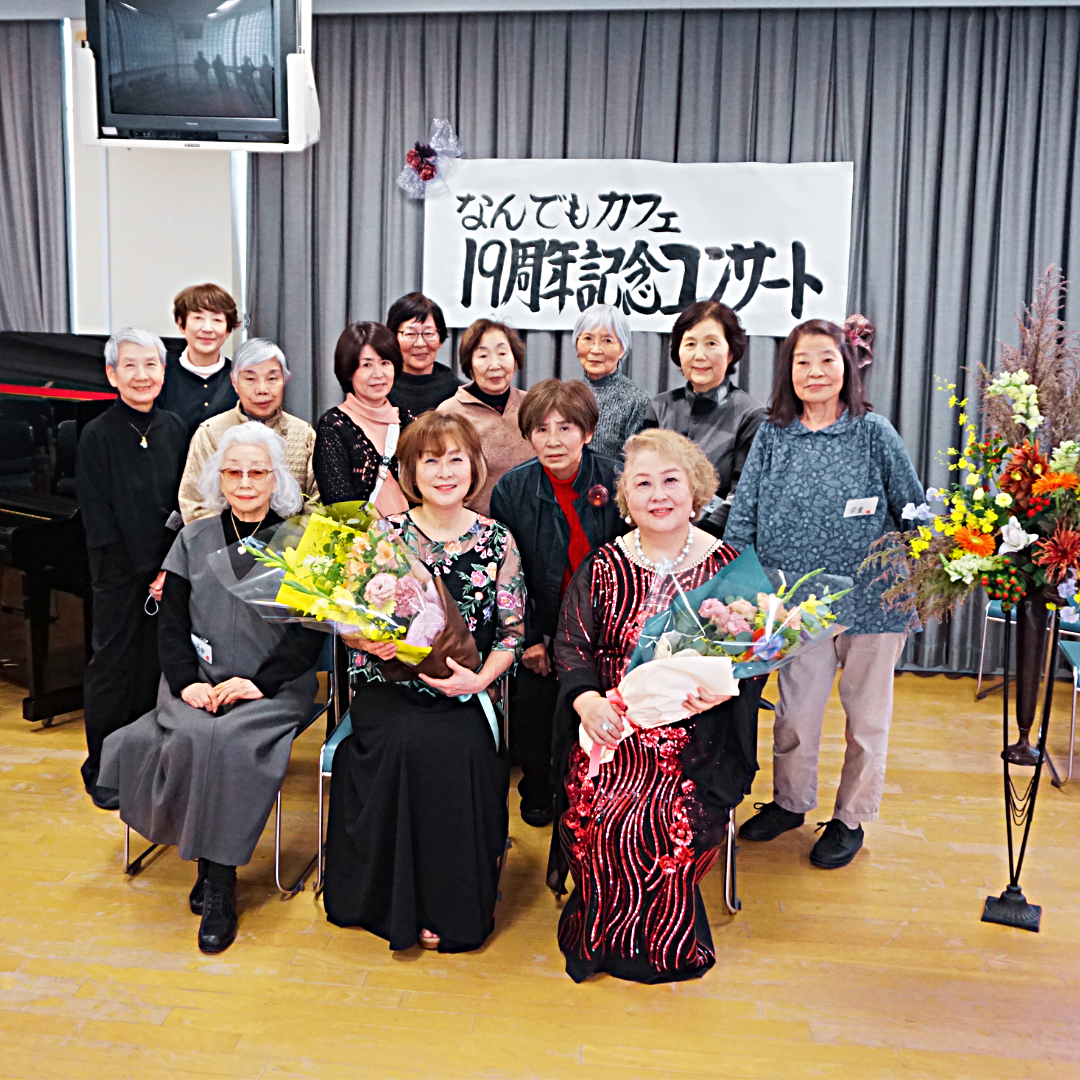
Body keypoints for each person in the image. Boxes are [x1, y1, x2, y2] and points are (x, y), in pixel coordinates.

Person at [98, 424, 323, 954]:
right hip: (196, 682)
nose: (245, 483)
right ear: (218, 479)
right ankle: (214, 869)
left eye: (257, 472)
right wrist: (185, 683)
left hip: (272, 687)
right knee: (195, 734)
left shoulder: (302, 542)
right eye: (233, 472)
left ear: (276, 478)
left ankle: (218, 881)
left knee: (229, 741)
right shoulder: (192, 538)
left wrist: (258, 683)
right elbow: (171, 625)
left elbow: (308, 636)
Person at [552, 428, 761, 983]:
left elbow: (755, 657)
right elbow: (570, 644)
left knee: (664, 819)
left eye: (671, 480)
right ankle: (601, 934)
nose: (658, 494)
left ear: (696, 491)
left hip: (699, 731)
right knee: (601, 815)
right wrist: (588, 701)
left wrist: (720, 689)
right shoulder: (603, 564)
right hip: (614, 721)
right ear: (626, 497)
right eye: (642, 483)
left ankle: (665, 939)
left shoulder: (730, 566)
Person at [725, 316, 924, 870]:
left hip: (874, 602)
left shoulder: (874, 432)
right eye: (802, 361)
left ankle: (851, 817)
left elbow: (913, 511)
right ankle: (791, 803)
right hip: (798, 604)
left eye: (826, 360)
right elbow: (744, 515)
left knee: (867, 722)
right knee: (794, 716)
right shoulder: (773, 435)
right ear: (787, 371)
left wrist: (922, 576)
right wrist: (738, 582)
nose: (814, 371)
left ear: (847, 368)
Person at [322, 412, 524, 953]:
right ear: (410, 471)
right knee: (406, 742)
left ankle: (447, 904)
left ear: (475, 467)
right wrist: (367, 642)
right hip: (390, 689)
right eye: (430, 461)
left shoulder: (497, 540)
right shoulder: (384, 535)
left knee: (457, 749)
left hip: (466, 691)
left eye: (455, 459)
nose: (444, 472)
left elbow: (513, 634)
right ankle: (395, 902)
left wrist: (478, 679)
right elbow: (348, 624)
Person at [488, 380, 623, 827]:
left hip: (605, 628)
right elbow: (507, 575)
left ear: (588, 432)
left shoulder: (619, 480)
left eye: (565, 428)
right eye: (541, 429)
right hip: (542, 627)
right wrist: (529, 638)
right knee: (535, 709)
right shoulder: (512, 489)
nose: (553, 440)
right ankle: (537, 787)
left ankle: (598, 794)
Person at [75, 329, 188, 810]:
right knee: (113, 669)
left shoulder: (175, 427)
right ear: (112, 374)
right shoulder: (96, 434)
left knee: (154, 670)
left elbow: (184, 504)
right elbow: (98, 517)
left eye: (151, 365)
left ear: (163, 372)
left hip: (167, 571)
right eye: (130, 365)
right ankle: (103, 768)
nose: (142, 375)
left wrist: (168, 569)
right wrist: (142, 573)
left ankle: (144, 764)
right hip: (118, 574)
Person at [643, 300, 765, 536]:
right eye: (690, 344)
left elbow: (744, 495)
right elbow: (639, 476)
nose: (699, 355)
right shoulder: (658, 407)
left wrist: (697, 538)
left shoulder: (751, 415)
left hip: (718, 542)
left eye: (711, 343)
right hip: (656, 534)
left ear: (731, 352)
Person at [178, 337, 317, 523]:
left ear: (285, 380)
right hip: (224, 540)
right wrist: (228, 539)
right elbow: (194, 503)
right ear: (234, 382)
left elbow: (317, 506)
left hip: (290, 541)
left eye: (272, 378)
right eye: (250, 379)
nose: (262, 389)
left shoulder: (304, 434)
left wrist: (286, 539)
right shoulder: (210, 432)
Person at [313, 322, 414, 513]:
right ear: (348, 371)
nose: (378, 374)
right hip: (358, 532)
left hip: (411, 531)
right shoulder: (333, 426)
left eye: (385, 363)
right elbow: (340, 507)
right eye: (366, 365)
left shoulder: (407, 421)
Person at [436, 318, 533, 515]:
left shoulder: (532, 405)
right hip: (471, 525)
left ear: (515, 359)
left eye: (502, 353)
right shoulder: (449, 412)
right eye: (483, 356)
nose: (494, 365)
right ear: (469, 363)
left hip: (530, 523)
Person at [160, 283, 240, 435]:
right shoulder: (160, 375)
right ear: (181, 324)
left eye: (217, 320)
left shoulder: (241, 378)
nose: (207, 328)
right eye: (198, 318)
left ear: (228, 330)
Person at [574, 303, 649, 460]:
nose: (595, 350)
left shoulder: (637, 400)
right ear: (576, 343)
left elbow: (636, 461)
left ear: (622, 349)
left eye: (607, 341)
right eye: (588, 338)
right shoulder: (568, 395)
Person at [386, 293, 460, 415]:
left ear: (440, 340)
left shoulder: (458, 394)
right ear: (393, 338)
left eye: (429, 333)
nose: (420, 343)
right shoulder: (381, 388)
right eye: (410, 334)